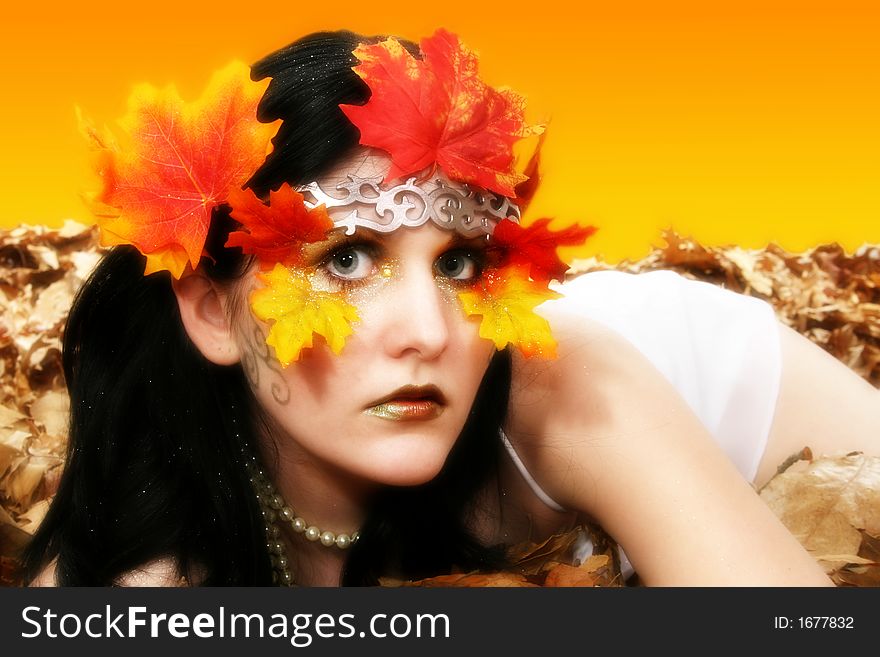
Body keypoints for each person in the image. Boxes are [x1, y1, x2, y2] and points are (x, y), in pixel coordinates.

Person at [23, 28, 880, 587]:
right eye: (349, 259)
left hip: (726, 402)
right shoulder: (146, 523)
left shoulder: (558, 381)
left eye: (463, 262)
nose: (430, 332)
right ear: (212, 312)